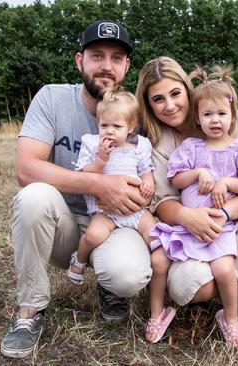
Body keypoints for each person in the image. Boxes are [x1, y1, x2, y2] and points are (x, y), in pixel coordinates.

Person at [1, 20, 152, 359]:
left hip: (118, 221)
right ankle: (30, 310)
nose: (106, 66)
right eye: (97, 55)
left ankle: (111, 287)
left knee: (128, 275)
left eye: (116, 57)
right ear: (79, 60)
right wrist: (99, 183)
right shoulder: (52, 98)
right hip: (65, 223)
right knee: (33, 197)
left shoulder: (136, 113)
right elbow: (26, 168)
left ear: (127, 66)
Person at [136, 56, 238, 353]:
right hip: (189, 227)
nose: (170, 105)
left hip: (231, 219)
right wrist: (190, 217)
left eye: (176, 93)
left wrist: (226, 211)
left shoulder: (234, 122)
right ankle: (228, 289)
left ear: (188, 90)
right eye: (158, 99)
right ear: (148, 105)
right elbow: (163, 201)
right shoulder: (159, 141)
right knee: (191, 287)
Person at [67, 86, 156, 284]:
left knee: (155, 237)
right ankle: (79, 261)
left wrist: (148, 183)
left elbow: (146, 171)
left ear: (130, 127)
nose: (109, 131)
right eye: (104, 125)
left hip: (136, 211)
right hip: (104, 211)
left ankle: (158, 270)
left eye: (117, 127)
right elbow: (84, 176)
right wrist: (101, 159)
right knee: (93, 235)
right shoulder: (92, 144)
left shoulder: (139, 146)